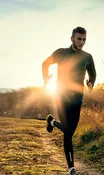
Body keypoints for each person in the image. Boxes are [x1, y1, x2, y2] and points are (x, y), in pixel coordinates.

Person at [42, 26, 96, 175]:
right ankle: (71, 167)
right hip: (61, 97)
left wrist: (91, 83)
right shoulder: (61, 53)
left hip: (77, 99)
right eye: (79, 39)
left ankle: (52, 122)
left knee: (69, 130)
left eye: (84, 39)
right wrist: (46, 78)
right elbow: (45, 64)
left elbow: (93, 74)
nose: (82, 42)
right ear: (72, 38)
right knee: (68, 133)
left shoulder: (87, 57)